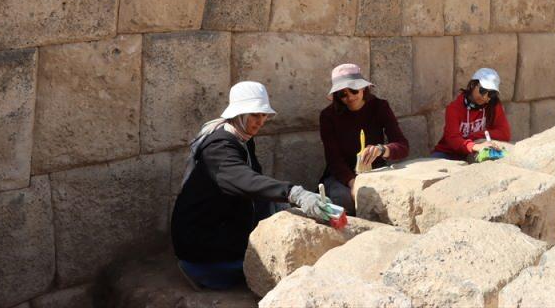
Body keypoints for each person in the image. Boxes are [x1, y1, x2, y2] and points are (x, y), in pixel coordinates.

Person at [171, 81, 332, 290]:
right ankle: (203, 274)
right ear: (239, 114)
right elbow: (245, 180)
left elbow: (255, 178)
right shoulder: (219, 147)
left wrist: (282, 205)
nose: (261, 121)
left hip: (224, 223)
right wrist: (294, 193)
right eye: (255, 115)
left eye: (264, 115)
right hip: (201, 243)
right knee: (267, 270)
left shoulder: (243, 138)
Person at [319, 63, 409, 215]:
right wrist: (353, 183)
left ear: (363, 88)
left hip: (375, 171)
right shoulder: (328, 116)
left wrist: (382, 150)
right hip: (342, 177)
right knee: (344, 199)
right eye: (343, 94)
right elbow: (333, 159)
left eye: (354, 90)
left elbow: (402, 146)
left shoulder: (380, 107)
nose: (350, 97)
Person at [431, 68, 511, 161]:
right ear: (473, 85)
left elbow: (505, 133)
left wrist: (476, 137)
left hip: (476, 148)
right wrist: (475, 146)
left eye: (491, 94)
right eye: (483, 90)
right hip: (448, 152)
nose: (485, 97)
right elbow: (453, 139)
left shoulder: (493, 105)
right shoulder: (454, 108)